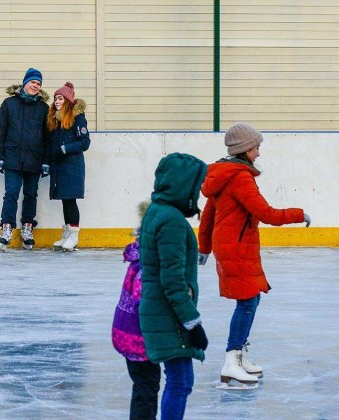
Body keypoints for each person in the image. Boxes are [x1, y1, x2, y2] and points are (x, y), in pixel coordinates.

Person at [197, 122, 310, 388]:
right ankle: (231, 361)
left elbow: (209, 217)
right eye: (256, 147)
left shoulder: (224, 174)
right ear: (245, 149)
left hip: (232, 248)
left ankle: (239, 356)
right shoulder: (239, 176)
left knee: (251, 300)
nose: (258, 152)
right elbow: (266, 214)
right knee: (247, 303)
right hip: (237, 249)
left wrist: (204, 249)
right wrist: (299, 214)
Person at [139, 153, 209, 420]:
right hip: (168, 315)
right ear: (183, 185)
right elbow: (172, 281)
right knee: (180, 382)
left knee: (178, 380)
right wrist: (193, 323)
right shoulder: (171, 221)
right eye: (196, 186)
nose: (199, 193)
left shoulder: (157, 211)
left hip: (159, 310)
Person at [0, 68, 49, 251]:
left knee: (31, 195)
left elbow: (48, 137)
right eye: (33, 82)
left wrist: (46, 161)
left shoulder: (43, 108)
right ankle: (6, 229)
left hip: (34, 158)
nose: (36, 86)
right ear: (25, 83)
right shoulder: (9, 104)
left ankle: (27, 228)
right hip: (13, 158)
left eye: (39, 84)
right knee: (12, 193)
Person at [112, 201, 161, 419]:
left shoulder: (140, 256)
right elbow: (147, 303)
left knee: (144, 387)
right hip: (139, 340)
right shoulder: (147, 266)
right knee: (147, 389)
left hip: (129, 334)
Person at [44, 82, 90, 252]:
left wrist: (65, 148)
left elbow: (85, 143)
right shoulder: (55, 119)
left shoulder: (78, 118)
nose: (56, 101)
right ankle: (67, 234)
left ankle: (74, 236)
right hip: (59, 167)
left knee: (70, 200)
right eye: (56, 98)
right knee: (64, 200)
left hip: (72, 167)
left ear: (68, 101)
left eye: (60, 98)